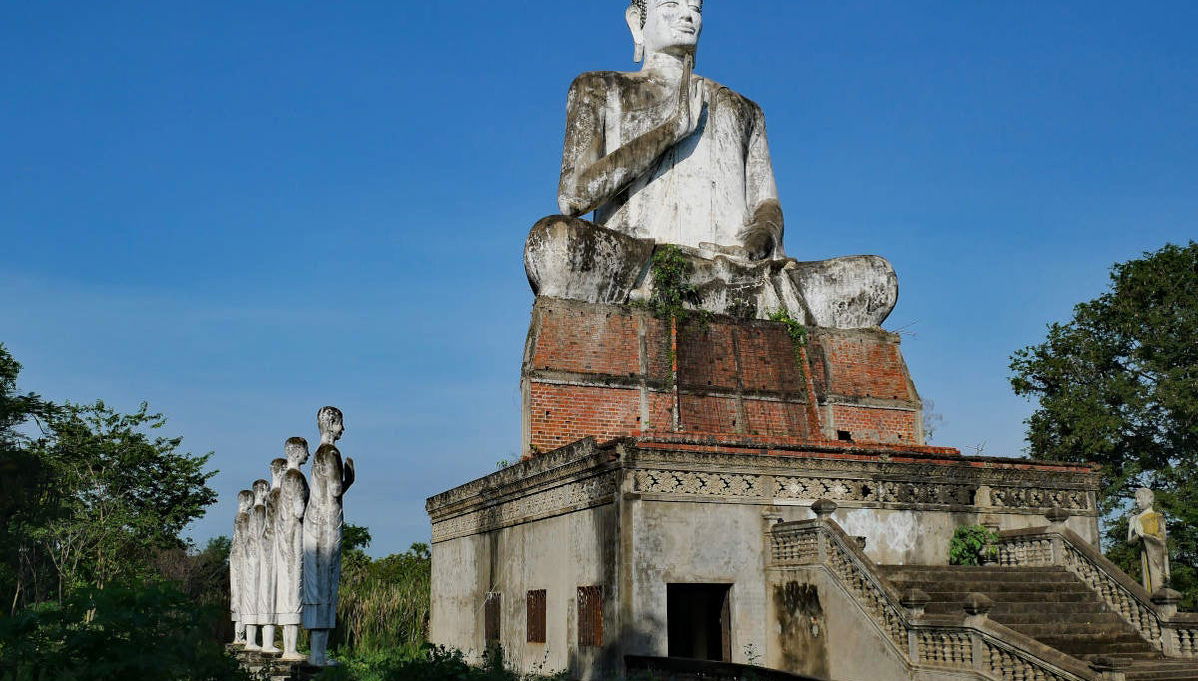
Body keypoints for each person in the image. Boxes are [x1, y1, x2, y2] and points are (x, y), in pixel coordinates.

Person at [303, 407, 355, 666]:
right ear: (332, 423)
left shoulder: (317, 455)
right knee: (325, 585)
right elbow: (335, 489)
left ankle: (316, 654)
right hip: (326, 523)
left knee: (317, 586)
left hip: (314, 523)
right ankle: (318, 656)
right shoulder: (331, 453)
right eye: (341, 424)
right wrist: (350, 479)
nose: (343, 429)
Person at [1127, 487, 1170, 593]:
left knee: (1159, 582)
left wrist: (1144, 535)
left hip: (1157, 555)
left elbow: (1162, 540)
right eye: (1136, 499)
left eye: (1140, 498)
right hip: (1145, 552)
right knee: (1147, 583)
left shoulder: (1158, 517)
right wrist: (1137, 536)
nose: (1137, 501)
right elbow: (1130, 541)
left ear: (1150, 499)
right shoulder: (1134, 519)